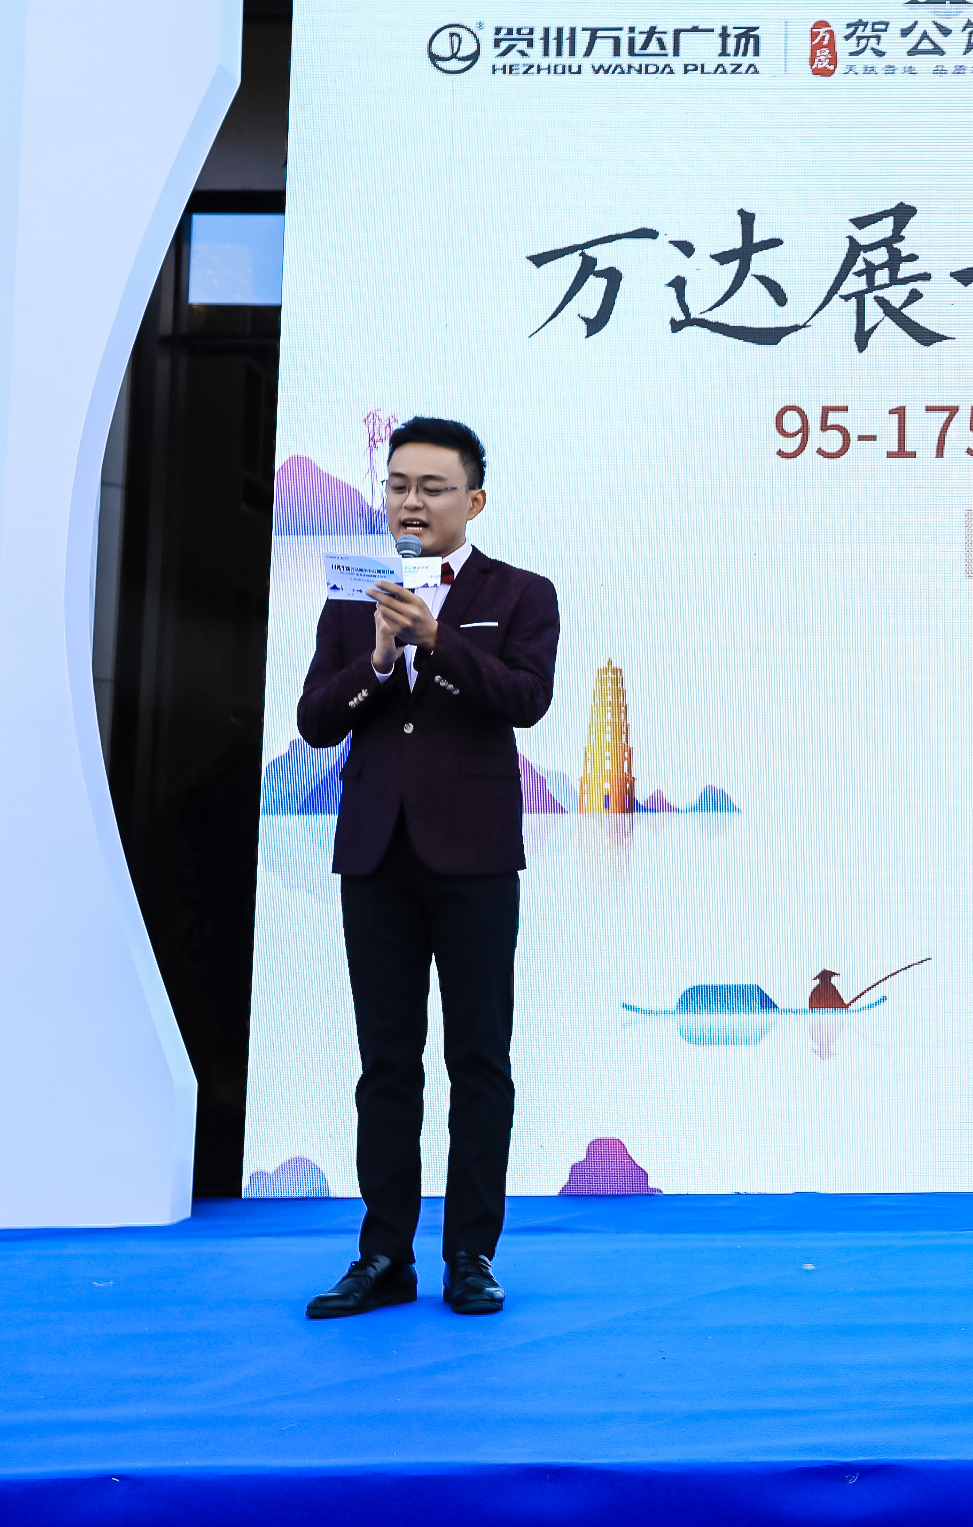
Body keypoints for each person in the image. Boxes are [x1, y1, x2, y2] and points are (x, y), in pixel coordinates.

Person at [295, 417, 559, 1319]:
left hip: (475, 856)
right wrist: (377, 660)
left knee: (478, 1058)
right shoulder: (351, 597)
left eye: (433, 487)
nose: (412, 502)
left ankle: (471, 1254)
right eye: (399, 485)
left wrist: (439, 640)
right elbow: (315, 721)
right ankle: (384, 1255)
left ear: (473, 500)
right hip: (375, 854)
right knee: (385, 1063)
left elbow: (526, 698)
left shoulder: (519, 593)